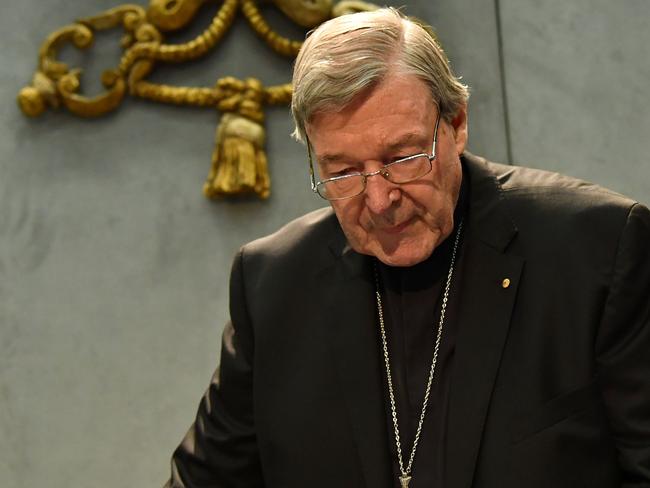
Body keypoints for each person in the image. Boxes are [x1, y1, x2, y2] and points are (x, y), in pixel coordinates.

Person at [165, 8, 650, 488]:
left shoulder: (597, 249)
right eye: (343, 171)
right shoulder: (272, 284)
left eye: (403, 157)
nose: (379, 200)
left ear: (456, 124)